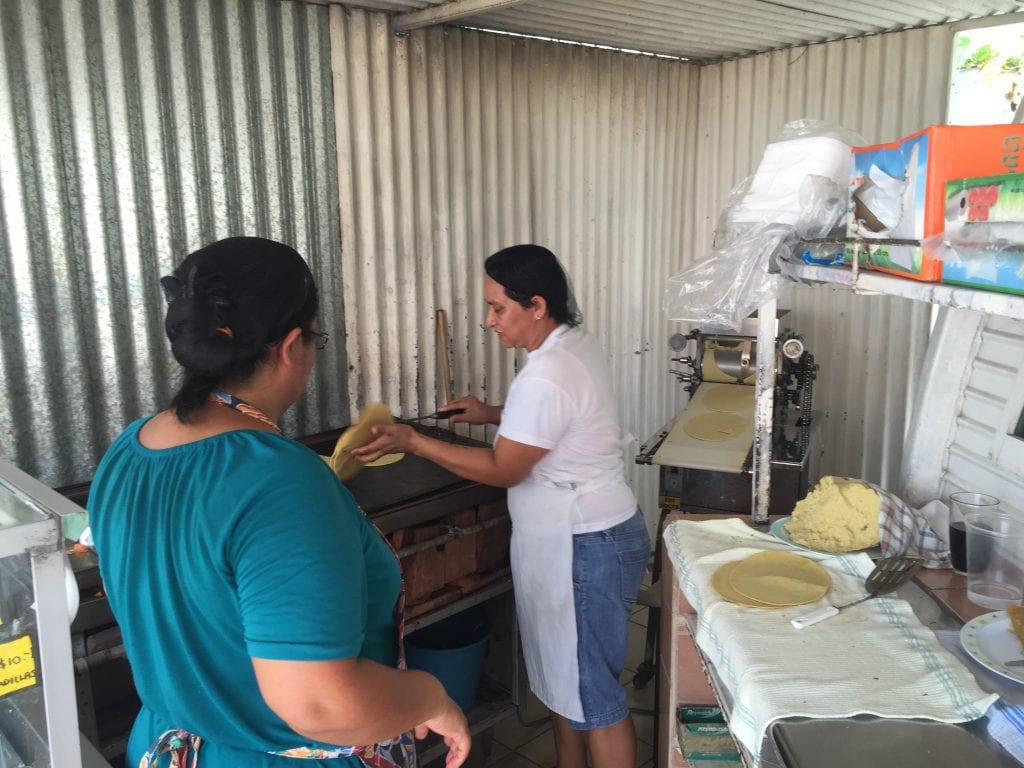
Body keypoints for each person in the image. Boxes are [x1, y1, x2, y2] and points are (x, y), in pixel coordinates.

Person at [88, 237, 470, 768]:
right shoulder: (281, 479)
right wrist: (432, 696)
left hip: (165, 748)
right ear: (293, 346)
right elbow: (318, 703)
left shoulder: (128, 452)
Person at [353, 244, 651, 768]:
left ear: (536, 305)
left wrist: (415, 442)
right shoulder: (573, 344)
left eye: (498, 308)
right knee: (566, 685)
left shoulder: (547, 373)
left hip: (586, 544)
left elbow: (504, 469)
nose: (490, 321)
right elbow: (561, 419)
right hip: (587, 538)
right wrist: (493, 412)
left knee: (594, 697)